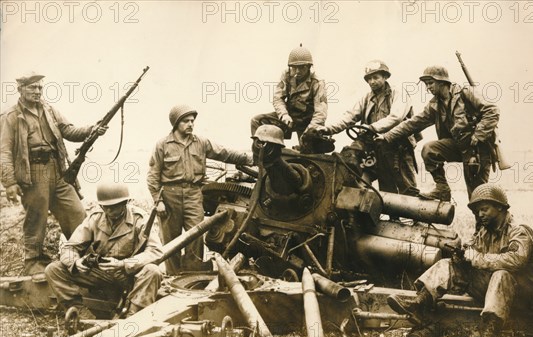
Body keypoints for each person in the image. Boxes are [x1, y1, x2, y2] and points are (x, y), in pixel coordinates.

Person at [387, 184, 533, 337]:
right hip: (503, 293)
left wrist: (476, 258)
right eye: (477, 211)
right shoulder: (485, 232)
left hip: (531, 294)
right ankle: (419, 302)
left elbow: (516, 261)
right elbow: (471, 253)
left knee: (501, 274)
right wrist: (460, 257)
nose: (480, 214)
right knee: (449, 265)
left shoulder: (518, 231)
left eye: (484, 209)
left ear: (500, 207)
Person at [0, 71, 108, 275]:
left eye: (40, 87)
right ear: (20, 89)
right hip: (32, 173)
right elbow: (4, 151)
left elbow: (68, 130)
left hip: (58, 170)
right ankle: (33, 262)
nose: (37, 91)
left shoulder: (50, 110)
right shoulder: (10, 117)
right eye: (32, 87)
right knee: (36, 218)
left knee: (76, 212)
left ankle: (84, 255)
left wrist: (92, 129)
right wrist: (10, 183)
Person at [147, 105, 253, 274]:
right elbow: (153, 175)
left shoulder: (201, 142)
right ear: (176, 123)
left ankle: (192, 274)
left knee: (196, 235)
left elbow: (224, 153)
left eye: (192, 121)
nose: (190, 124)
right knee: (171, 239)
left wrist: (250, 158)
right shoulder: (163, 145)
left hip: (194, 194)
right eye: (185, 121)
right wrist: (158, 201)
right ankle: (172, 276)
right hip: (169, 196)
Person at [378, 66, 499, 201]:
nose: (428, 87)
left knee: (476, 193)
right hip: (458, 146)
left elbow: (492, 111)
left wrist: (478, 134)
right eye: (426, 84)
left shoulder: (465, 93)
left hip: (477, 149)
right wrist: (386, 136)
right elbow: (413, 123)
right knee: (429, 150)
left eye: (430, 83)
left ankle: (490, 221)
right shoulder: (435, 104)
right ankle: (442, 189)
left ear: (442, 82)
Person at [45, 182, 163, 317]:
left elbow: (155, 251)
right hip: (101, 273)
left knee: (153, 271)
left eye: (114, 207)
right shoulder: (95, 218)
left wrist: (123, 264)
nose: (109, 212)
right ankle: (80, 314)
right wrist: (76, 262)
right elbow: (70, 247)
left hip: (128, 274)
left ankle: (133, 317)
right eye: (105, 207)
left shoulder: (140, 219)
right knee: (54, 269)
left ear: (125, 203)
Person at [317, 60, 420, 196]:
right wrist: (329, 129)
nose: (372, 81)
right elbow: (350, 116)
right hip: (379, 146)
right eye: (369, 79)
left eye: (376, 77)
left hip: (399, 145)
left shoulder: (398, 93)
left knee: (407, 185)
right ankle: (392, 216)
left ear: (385, 77)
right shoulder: (366, 98)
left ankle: (417, 215)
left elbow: (396, 117)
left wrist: (371, 127)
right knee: (386, 185)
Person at [250, 45, 327, 141]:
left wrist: (309, 132)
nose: (297, 71)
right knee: (257, 121)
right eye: (294, 67)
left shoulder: (318, 82)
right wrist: (284, 115)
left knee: (310, 150)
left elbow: (320, 114)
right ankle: (262, 152)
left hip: (308, 121)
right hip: (289, 116)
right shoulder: (286, 75)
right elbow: (278, 98)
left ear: (309, 67)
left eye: (302, 67)